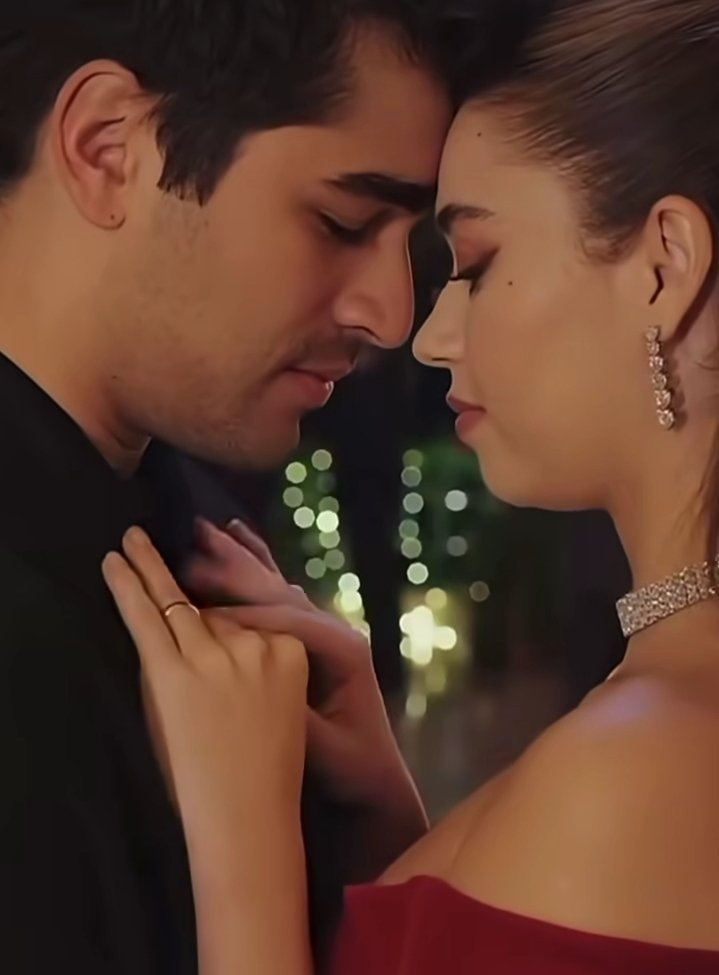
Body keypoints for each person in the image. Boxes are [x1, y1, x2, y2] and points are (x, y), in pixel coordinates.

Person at [106, 0, 719, 972]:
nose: (425, 334)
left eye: (474, 263)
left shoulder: (642, 764)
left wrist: (242, 847)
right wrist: (388, 816)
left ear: (663, 267)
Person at [0, 2, 467, 971]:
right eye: (341, 222)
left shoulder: (201, 544)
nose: (392, 315)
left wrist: (375, 829)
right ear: (108, 149)